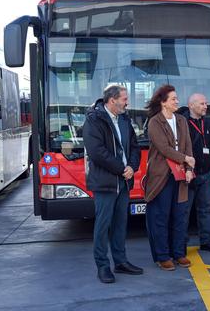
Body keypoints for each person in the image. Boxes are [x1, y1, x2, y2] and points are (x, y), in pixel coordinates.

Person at [83, 84, 143, 284]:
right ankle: (102, 266)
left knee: (120, 224)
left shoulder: (125, 119)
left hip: (124, 182)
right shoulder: (94, 119)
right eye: (124, 99)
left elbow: (135, 146)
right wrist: (121, 168)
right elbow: (96, 152)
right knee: (103, 225)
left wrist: (132, 167)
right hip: (105, 183)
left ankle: (120, 261)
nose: (127, 102)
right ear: (112, 100)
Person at [145, 85, 196, 271]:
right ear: (163, 102)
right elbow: (164, 148)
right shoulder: (154, 122)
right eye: (173, 98)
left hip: (181, 176)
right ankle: (163, 256)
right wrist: (185, 159)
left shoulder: (182, 120)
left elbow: (188, 146)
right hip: (161, 177)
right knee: (161, 217)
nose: (177, 101)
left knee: (179, 216)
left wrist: (189, 168)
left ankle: (179, 253)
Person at [181, 93, 210, 253]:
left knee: (206, 209)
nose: (206, 106)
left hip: (205, 174)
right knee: (184, 211)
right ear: (191, 105)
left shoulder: (208, 123)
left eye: (206, 103)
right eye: (202, 103)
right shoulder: (182, 123)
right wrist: (187, 170)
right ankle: (181, 244)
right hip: (189, 175)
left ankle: (206, 241)